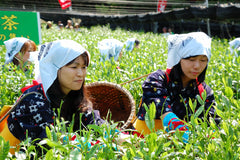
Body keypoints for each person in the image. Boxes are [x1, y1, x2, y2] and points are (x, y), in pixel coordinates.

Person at [0, 39, 105, 153]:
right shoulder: (33, 101)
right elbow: (50, 143)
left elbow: (96, 124)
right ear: (54, 68)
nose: (81, 73)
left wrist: (117, 137)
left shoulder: (74, 96)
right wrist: (98, 147)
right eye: (74, 67)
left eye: (84, 67)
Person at [133, 32, 220, 142]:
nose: (197, 66)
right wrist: (181, 131)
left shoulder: (204, 91)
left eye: (203, 60)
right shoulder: (157, 80)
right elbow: (162, 109)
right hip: (145, 141)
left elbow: (212, 122)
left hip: (179, 145)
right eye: (191, 59)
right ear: (178, 59)